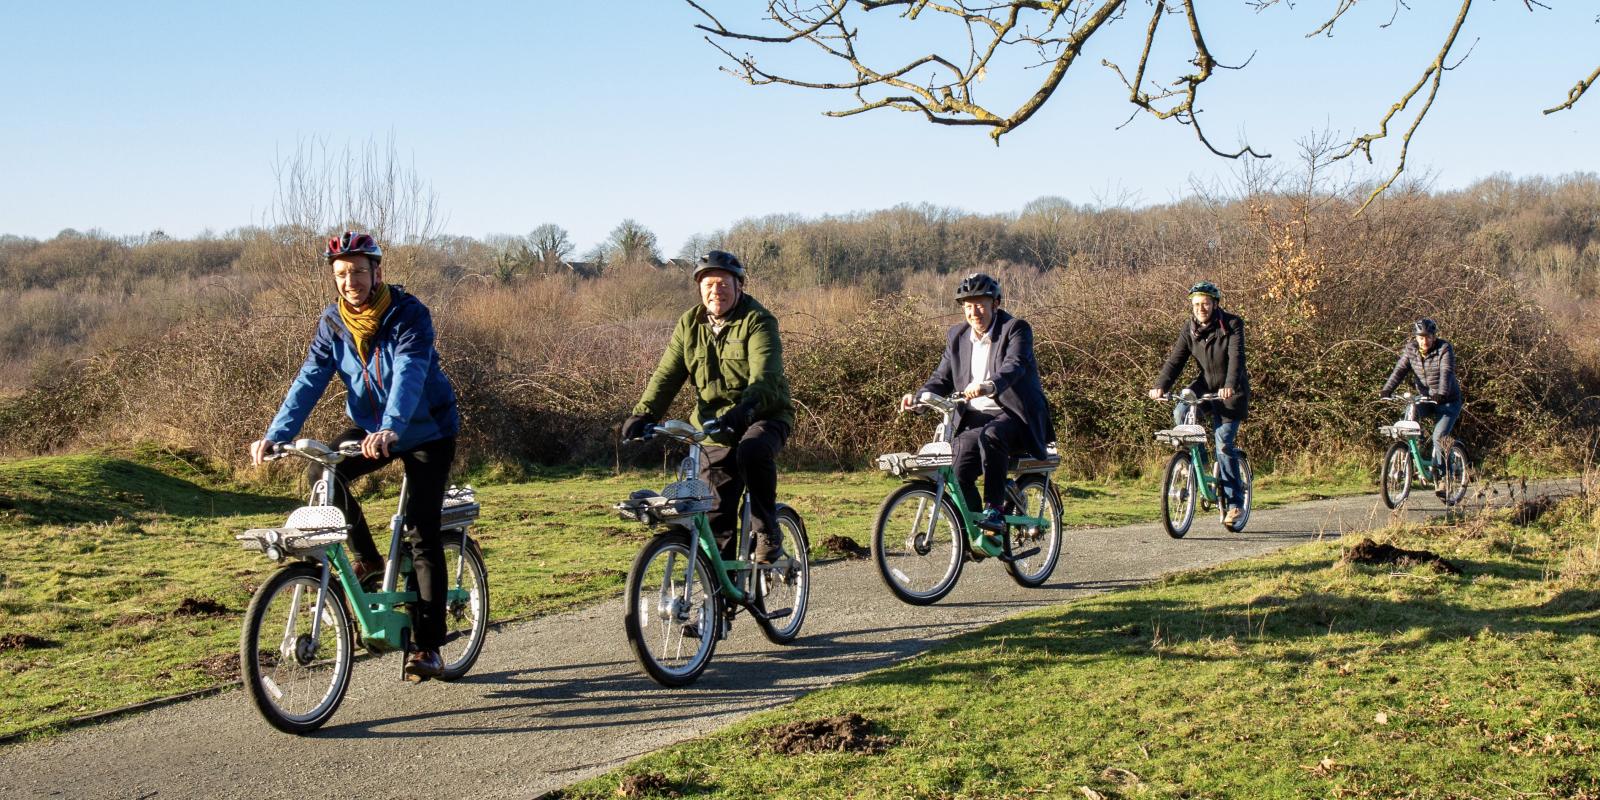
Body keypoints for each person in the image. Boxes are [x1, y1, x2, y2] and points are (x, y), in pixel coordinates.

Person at [249, 231, 460, 681]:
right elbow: (310, 378)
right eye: (342, 274)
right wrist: (275, 435)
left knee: (422, 532)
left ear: (377, 273)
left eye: (359, 272)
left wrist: (392, 426)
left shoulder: (409, 315)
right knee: (323, 475)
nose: (351, 282)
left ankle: (427, 646)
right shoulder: (333, 323)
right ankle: (366, 560)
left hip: (426, 430)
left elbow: (409, 371)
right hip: (370, 429)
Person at [622, 250, 795, 564]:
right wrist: (644, 413)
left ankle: (768, 531)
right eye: (709, 284)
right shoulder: (690, 324)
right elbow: (668, 374)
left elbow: (766, 377)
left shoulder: (757, 320)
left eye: (724, 283)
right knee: (714, 517)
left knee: (752, 452)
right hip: (714, 426)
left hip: (764, 414)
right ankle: (722, 600)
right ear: (700, 289)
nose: (717, 290)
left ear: (739, 286)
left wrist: (746, 409)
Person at [900, 273, 1055, 540]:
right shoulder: (957, 336)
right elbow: (942, 377)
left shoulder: (1016, 329)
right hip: (975, 418)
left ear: (996, 303)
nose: (974, 312)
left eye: (980, 304)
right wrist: (919, 398)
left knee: (992, 436)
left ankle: (993, 511)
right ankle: (977, 534)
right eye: (968, 306)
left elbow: (1014, 366)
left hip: (1015, 416)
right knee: (957, 465)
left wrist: (989, 385)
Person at [1147, 280, 1249, 526]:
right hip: (1205, 386)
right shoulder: (1190, 329)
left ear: (1215, 304)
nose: (1200, 308)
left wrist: (1230, 386)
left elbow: (1237, 359)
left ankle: (1235, 505)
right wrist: (1161, 385)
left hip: (1231, 393)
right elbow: (1175, 360)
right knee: (1181, 409)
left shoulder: (1232, 325)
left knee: (1223, 443)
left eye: (1205, 303)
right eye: (1196, 304)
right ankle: (1199, 464)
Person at [1380, 318, 1462, 497]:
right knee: (1408, 416)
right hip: (1426, 398)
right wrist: (1387, 389)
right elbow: (1400, 370)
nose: (1424, 341)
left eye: (1428, 337)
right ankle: (1410, 455)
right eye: (1421, 337)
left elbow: (1446, 372)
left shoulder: (1444, 348)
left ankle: (1442, 477)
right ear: (1416, 337)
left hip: (1448, 400)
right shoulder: (1411, 350)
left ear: (1434, 336)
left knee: (1439, 437)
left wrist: (1441, 393)